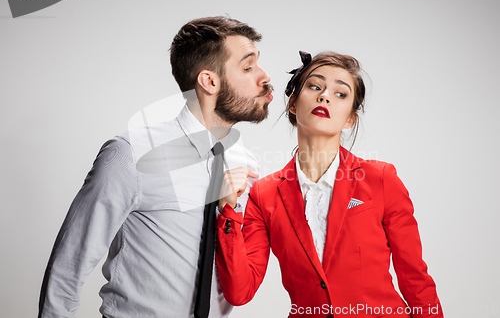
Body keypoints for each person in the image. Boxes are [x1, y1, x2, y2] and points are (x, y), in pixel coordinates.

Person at [38, 16, 273, 318]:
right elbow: (68, 267)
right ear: (209, 81)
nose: (264, 76)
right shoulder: (131, 154)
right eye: (248, 66)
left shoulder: (246, 165)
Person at [216, 51, 443, 317]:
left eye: (340, 94)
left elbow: (414, 278)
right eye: (315, 86)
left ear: (350, 119)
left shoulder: (381, 179)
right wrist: (228, 211)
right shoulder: (263, 194)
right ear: (292, 104)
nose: (324, 96)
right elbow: (239, 292)